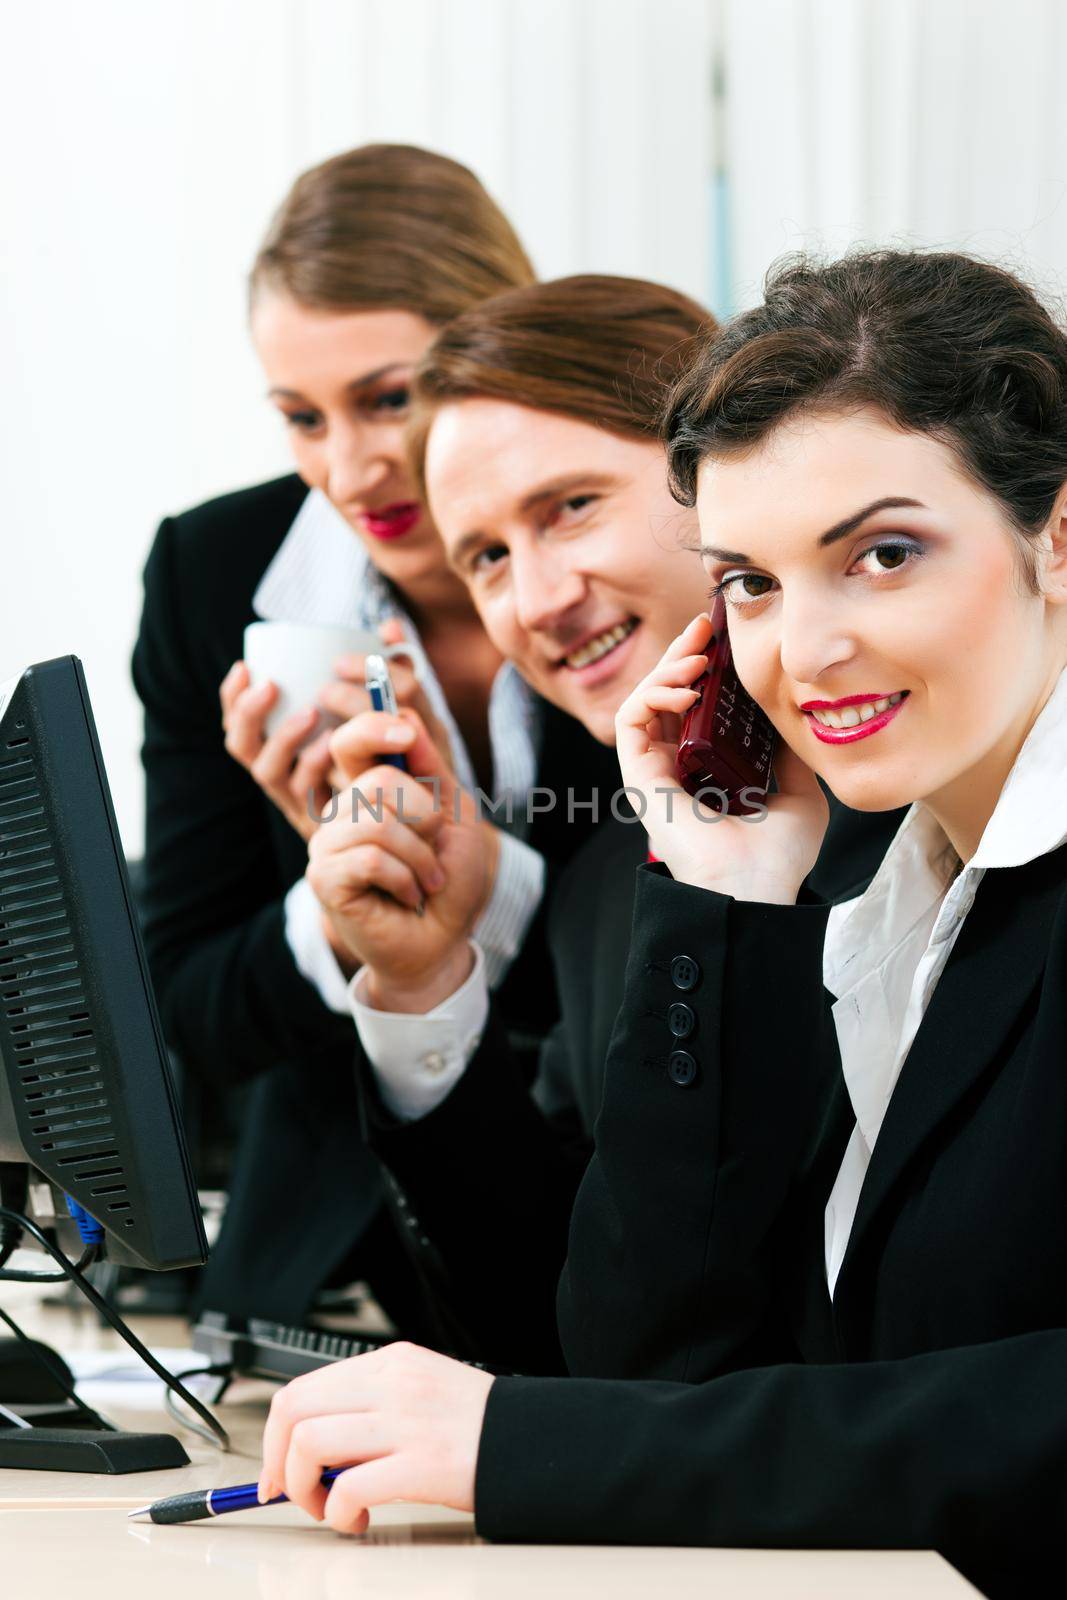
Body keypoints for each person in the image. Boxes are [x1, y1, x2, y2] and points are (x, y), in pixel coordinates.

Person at [254, 251, 1067, 1598]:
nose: (800, 651)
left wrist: (536, 1445)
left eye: (879, 554)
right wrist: (720, 890)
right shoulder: (817, 872)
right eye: (748, 579)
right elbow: (641, 1364)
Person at [298, 275, 902, 1374]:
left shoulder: (941, 807)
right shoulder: (606, 886)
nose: (532, 600)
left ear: (716, 478)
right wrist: (423, 984)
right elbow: (561, 1348)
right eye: (483, 555)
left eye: (569, 505)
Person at [131, 145, 617, 1328]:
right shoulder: (217, 579)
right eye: (301, 415)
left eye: (388, 398)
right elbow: (185, 1005)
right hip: (321, 1264)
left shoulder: (621, 576)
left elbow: (673, 974)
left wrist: (477, 881)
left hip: (601, 1239)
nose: (348, 469)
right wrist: (334, 897)